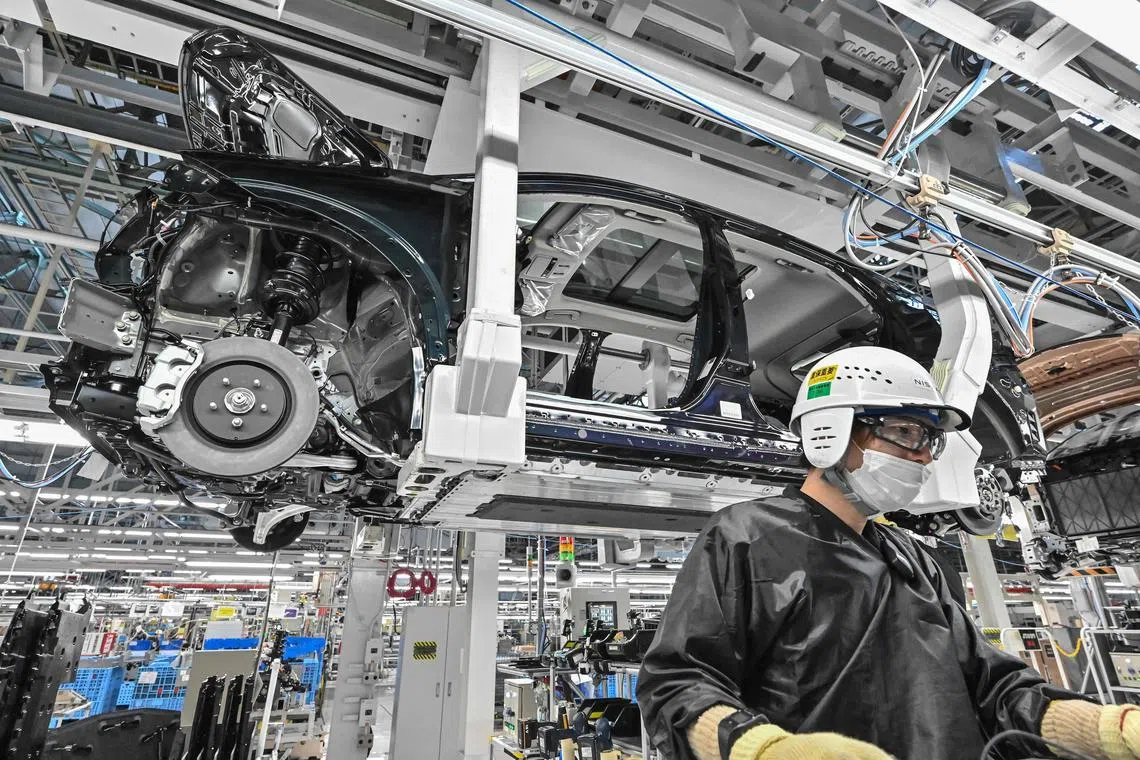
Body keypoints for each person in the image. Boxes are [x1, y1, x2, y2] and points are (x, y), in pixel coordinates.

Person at [636, 347, 1140, 760]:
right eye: (906, 433)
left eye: (931, 442)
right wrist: (762, 749)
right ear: (830, 430)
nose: (923, 457)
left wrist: (1106, 727)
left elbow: (992, 685)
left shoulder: (912, 557)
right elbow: (678, 684)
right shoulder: (746, 536)